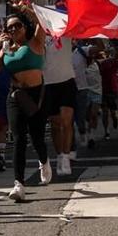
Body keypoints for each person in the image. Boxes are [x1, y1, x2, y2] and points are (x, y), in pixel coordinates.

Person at [0, 5, 52, 201]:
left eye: (17, 26)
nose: (14, 30)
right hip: (16, 96)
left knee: (37, 138)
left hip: (36, 95)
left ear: (25, 27)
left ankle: (44, 161)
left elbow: (43, 22)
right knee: (19, 139)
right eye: (10, 28)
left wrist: (27, 9)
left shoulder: (35, 43)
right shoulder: (7, 49)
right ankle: (19, 184)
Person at [39, 28, 76, 176]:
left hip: (67, 81)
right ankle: (60, 155)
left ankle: (66, 156)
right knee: (55, 124)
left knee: (66, 121)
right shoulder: (39, 35)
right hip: (48, 84)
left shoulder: (65, 31)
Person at [98, 47, 118, 139]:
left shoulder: (112, 62)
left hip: (112, 89)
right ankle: (106, 131)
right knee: (105, 112)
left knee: (113, 112)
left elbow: (117, 55)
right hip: (103, 90)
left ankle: (115, 118)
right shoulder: (99, 64)